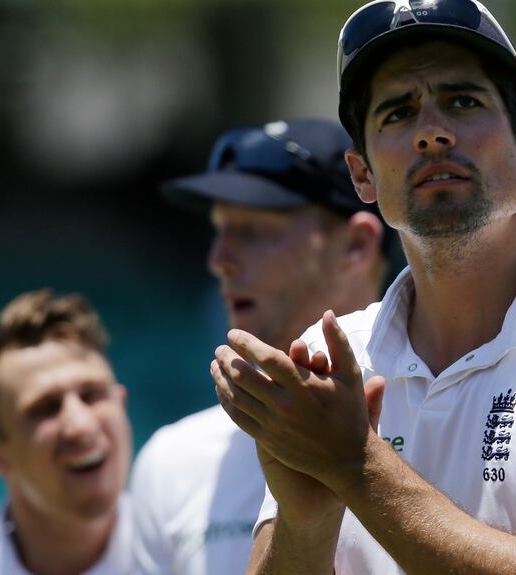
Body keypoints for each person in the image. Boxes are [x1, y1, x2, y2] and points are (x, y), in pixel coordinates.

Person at [210, 1, 516, 574]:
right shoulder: (334, 354)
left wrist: (354, 466)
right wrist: (306, 518)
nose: (432, 133)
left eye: (463, 102)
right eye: (398, 114)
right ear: (362, 174)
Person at [130, 118, 394, 575]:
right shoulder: (172, 464)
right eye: (219, 231)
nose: (219, 261)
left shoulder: (446, 412)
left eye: (253, 232)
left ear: (356, 245)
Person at [0, 290, 136, 575]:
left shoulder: (193, 557)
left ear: (121, 405)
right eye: (46, 408)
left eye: (91, 395)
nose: (81, 426)